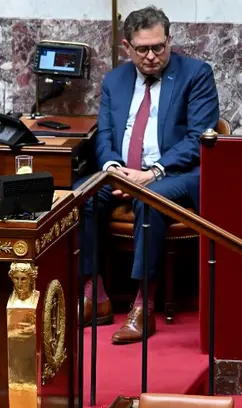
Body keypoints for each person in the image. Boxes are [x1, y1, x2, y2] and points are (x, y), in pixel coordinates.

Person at [79, 6, 218, 344]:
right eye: (143, 49)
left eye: (159, 47)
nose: (152, 56)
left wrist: (151, 173)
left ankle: (143, 305)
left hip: (176, 173)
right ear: (127, 47)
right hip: (122, 173)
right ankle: (95, 295)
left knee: (149, 200)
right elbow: (105, 136)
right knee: (80, 196)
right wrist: (114, 170)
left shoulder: (196, 74)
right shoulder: (115, 81)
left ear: (169, 41)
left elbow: (198, 139)